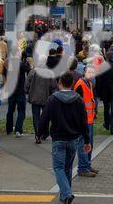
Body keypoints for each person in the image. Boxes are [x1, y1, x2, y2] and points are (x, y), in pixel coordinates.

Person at [38, 72, 91, 204]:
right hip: (73, 138)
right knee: (67, 167)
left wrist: (40, 132)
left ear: (60, 83)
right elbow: (83, 121)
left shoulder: (53, 99)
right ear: (72, 83)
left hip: (58, 138)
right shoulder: (78, 99)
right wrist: (87, 139)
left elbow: (44, 118)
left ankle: (66, 193)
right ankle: (65, 196)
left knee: (58, 168)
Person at [25, 56, 58, 144]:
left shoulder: (33, 71)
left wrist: (28, 91)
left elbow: (27, 84)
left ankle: (38, 134)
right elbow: (53, 86)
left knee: (36, 117)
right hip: (46, 97)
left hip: (35, 98)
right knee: (46, 116)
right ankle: (45, 133)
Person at [74, 66, 98, 177]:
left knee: (89, 143)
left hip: (89, 119)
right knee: (83, 144)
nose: (91, 74)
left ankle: (87, 165)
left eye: (92, 72)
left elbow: (91, 101)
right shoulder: (80, 84)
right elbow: (77, 103)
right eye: (89, 72)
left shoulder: (89, 84)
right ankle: (82, 168)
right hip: (82, 121)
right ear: (84, 73)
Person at [4, 50, 30, 138]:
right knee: (21, 110)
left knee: (10, 110)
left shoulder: (8, 64)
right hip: (20, 90)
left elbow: (5, 74)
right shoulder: (21, 64)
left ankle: (9, 128)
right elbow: (29, 71)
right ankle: (18, 129)